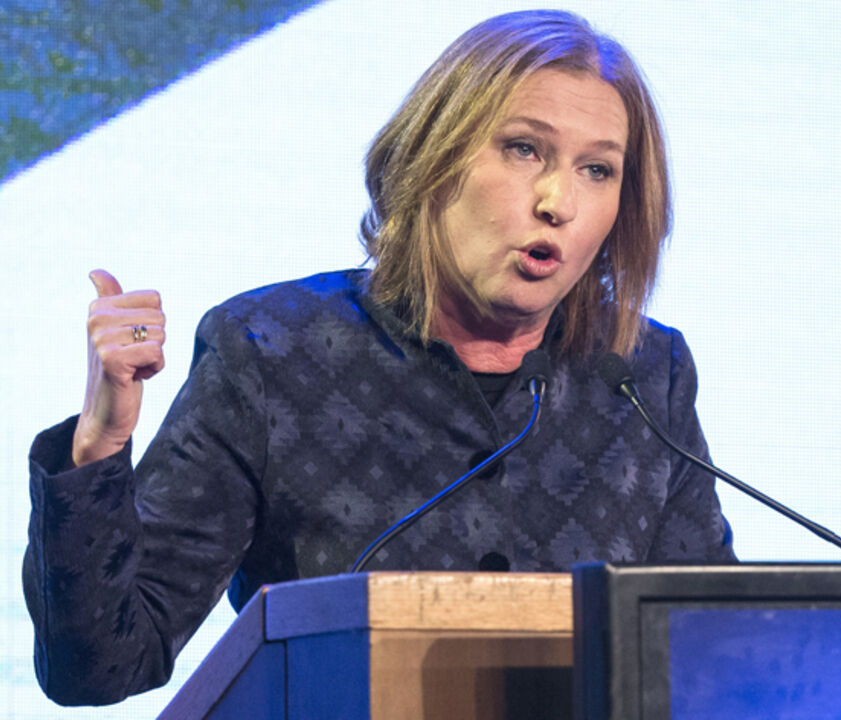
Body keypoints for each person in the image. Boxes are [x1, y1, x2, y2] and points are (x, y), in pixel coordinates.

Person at [23, 10, 734, 706]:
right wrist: (99, 449)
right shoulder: (273, 353)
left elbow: (719, 653)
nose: (559, 201)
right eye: (524, 149)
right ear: (433, 155)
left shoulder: (642, 377)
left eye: (598, 170)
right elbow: (102, 667)